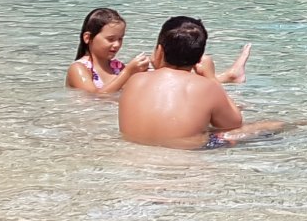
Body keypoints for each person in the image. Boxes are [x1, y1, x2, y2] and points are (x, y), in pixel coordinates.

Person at [119, 16, 288, 149]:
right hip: (186, 151)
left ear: (159, 51)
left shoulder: (135, 80)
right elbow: (233, 124)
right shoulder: (206, 86)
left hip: (135, 148)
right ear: (200, 57)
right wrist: (210, 77)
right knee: (273, 125)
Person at [66, 6, 152, 95]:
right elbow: (94, 98)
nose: (117, 44)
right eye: (110, 39)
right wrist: (128, 72)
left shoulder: (117, 68)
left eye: (120, 39)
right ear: (88, 38)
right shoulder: (78, 69)